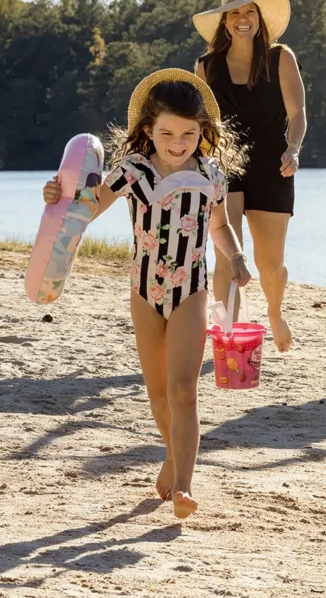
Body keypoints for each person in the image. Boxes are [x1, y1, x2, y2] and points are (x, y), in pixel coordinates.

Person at [41, 69, 251, 519]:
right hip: (144, 290)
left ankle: (184, 486)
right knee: (157, 393)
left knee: (183, 390)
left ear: (203, 132)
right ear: (148, 131)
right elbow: (86, 209)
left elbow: (220, 226)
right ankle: (172, 455)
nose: (178, 143)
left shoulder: (211, 177)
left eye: (189, 134)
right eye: (168, 133)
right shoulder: (132, 171)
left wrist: (235, 257)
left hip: (190, 291)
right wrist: (58, 195)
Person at [192, 0, 307, 353]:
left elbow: (298, 112)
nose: (243, 20)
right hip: (225, 169)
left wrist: (294, 148)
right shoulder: (206, 67)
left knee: (270, 265)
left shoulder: (280, 58)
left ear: (259, 19)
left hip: (274, 166)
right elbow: (200, 122)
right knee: (227, 259)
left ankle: (274, 314)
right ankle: (229, 338)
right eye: (235, 14)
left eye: (249, 13)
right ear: (224, 23)